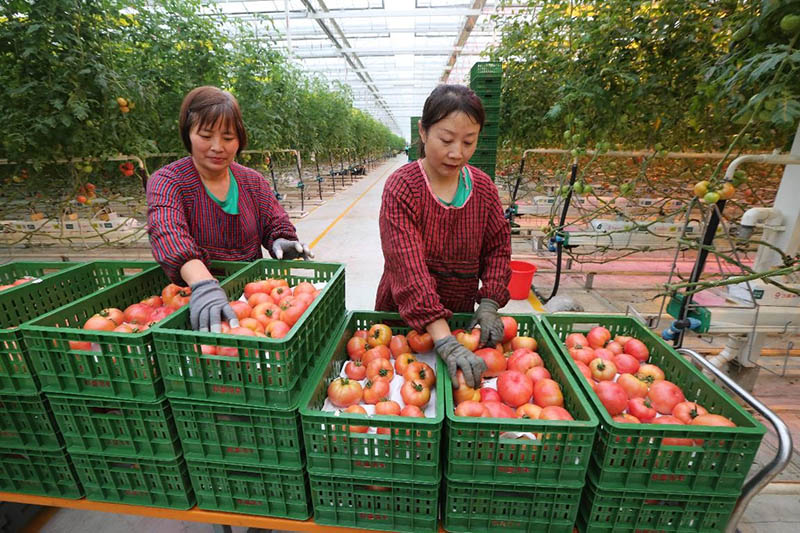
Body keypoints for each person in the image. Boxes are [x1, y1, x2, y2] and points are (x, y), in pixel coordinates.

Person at [375, 84, 512, 388]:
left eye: (469, 142)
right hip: (405, 323)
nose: (457, 153)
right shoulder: (402, 187)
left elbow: (498, 248)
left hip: (461, 319)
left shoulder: (484, 188)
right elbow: (407, 267)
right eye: (446, 140)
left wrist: (489, 301)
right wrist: (442, 339)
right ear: (423, 133)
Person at [147, 86, 313, 333]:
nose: (217, 147)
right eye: (205, 136)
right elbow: (168, 233)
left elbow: (274, 221)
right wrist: (204, 285)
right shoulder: (169, 181)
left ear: (240, 140)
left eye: (228, 138)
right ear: (187, 134)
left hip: (252, 305)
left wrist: (282, 240)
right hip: (195, 302)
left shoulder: (252, 181)